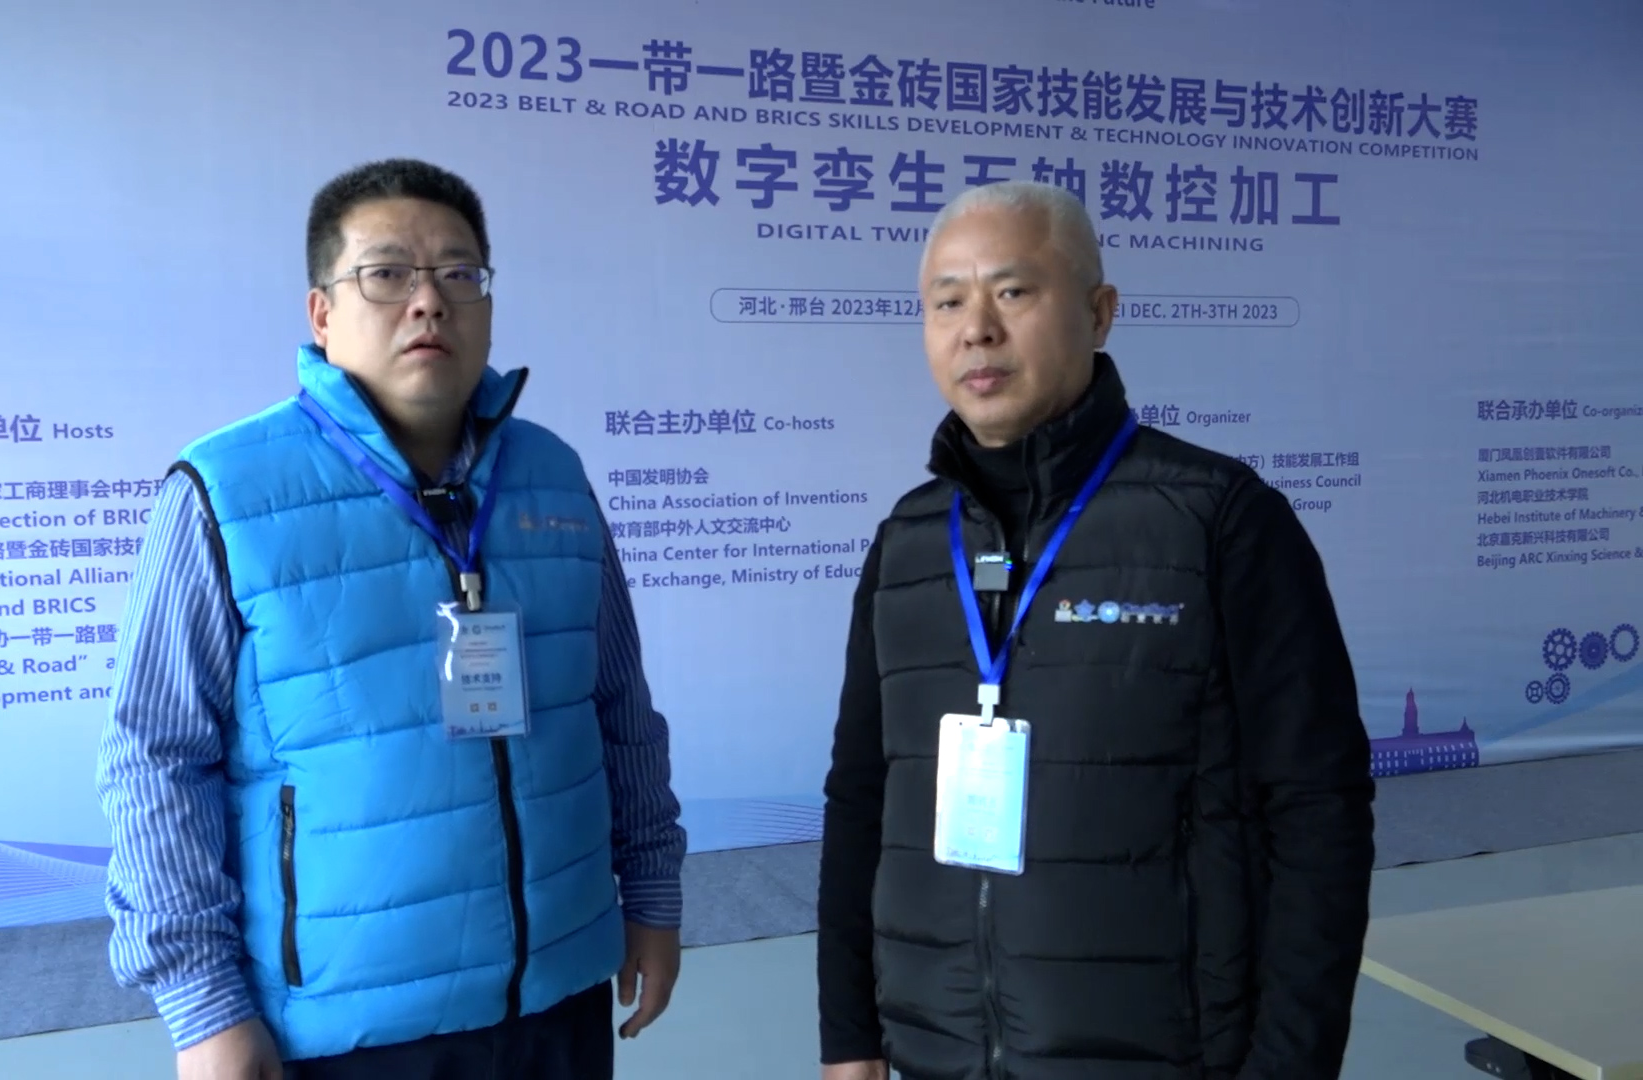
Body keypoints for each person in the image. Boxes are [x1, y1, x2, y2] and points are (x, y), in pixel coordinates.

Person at [97, 158, 686, 1080]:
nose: (429, 302)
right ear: (322, 313)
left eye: (459, 273)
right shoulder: (225, 491)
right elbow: (156, 758)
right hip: (353, 1026)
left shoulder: (554, 476)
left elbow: (618, 709)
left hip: (560, 994)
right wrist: (202, 1005)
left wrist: (650, 892)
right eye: (387, 274)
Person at [815, 180, 1376, 1080]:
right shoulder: (910, 542)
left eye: (1012, 291)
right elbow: (860, 798)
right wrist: (848, 1034)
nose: (977, 330)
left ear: (1100, 311)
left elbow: (1317, 809)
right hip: (935, 1052)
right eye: (947, 302)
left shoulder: (1220, 520)